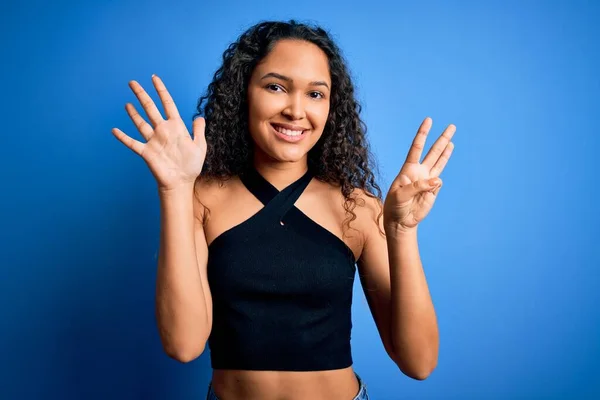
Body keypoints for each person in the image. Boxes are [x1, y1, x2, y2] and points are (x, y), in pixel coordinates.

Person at [112, 20, 455, 400]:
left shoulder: (356, 207)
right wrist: (175, 189)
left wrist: (402, 232)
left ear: (331, 106)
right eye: (276, 87)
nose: (295, 110)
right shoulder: (202, 198)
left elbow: (418, 362)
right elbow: (183, 345)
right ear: (244, 93)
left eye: (315, 94)